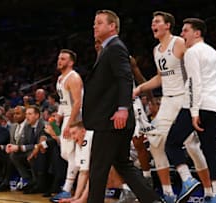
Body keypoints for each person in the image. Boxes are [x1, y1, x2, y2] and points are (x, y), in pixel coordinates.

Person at [83, 10, 162, 203]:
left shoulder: (115, 47)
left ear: (112, 27)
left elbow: (125, 79)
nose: (95, 26)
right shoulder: (108, 49)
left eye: (99, 23)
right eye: (94, 23)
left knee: (98, 168)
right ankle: (153, 200)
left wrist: (122, 109)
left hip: (112, 119)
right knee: (123, 164)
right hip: (114, 119)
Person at [133, 11, 209, 202]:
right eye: (152, 22)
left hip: (185, 98)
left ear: (168, 25)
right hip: (168, 99)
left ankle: (210, 191)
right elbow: (161, 77)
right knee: (156, 143)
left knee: (191, 145)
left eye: (157, 22)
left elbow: (196, 66)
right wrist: (141, 87)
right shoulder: (157, 50)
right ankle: (168, 193)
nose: (153, 25)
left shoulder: (179, 43)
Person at [165, 18, 216, 203]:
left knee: (171, 143)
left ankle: (187, 179)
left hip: (198, 106)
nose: (182, 35)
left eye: (185, 31)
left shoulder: (192, 52)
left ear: (197, 33)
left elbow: (193, 83)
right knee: (210, 151)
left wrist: (193, 113)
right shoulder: (215, 54)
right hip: (215, 107)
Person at [50, 49, 84, 202]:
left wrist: (70, 124)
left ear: (71, 62)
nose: (59, 61)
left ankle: (67, 190)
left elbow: (78, 102)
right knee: (65, 153)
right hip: (67, 116)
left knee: (72, 155)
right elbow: (64, 102)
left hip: (76, 118)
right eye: (59, 58)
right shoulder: (60, 79)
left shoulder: (74, 78)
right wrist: (58, 116)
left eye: (63, 59)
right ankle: (71, 187)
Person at [57, 120, 93, 203]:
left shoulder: (89, 137)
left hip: (118, 165)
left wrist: (82, 199)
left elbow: (91, 173)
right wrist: (76, 197)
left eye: (74, 133)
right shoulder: (79, 141)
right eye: (71, 134)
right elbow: (83, 172)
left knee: (96, 171)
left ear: (83, 131)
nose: (72, 137)